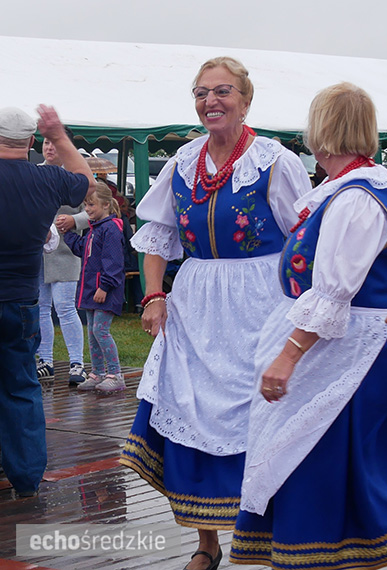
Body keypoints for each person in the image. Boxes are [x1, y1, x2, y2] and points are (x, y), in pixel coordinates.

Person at [231, 82, 387, 570]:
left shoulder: (357, 199)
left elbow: (334, 291)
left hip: (349, 353)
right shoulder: (348, 191)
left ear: (323, 130)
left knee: (332, 470)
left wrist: (287, 355)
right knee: (348, 477)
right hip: (339, 350)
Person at [118, 57, 311, 570]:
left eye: (222, 92)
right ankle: (206, 543)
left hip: (261, 300)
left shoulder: (275, 160)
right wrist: (154, 295)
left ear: (246, 100)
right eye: (201, 93)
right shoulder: (183, 162)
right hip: (198, 300)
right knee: (190, 404)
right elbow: (156, 236)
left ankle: (275, 541)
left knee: (264, 417)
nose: (211, 102)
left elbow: (304, 238)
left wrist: (302, 307)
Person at [0, 105, 94, 498]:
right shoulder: (48, 181)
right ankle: (25, 478)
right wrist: (57, 133)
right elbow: (86, 181)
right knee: (20, 389)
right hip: (20, 302)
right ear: (32, 142)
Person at [36, 128, 90, 385]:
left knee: (66, 307)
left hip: (67, 253)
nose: (49, 147)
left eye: (54, 143)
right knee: (40, 308)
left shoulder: (77, 176)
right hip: (37, 253)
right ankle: (45, 361)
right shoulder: (33, 173)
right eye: (46, 142)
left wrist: (74, 219)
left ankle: (77, 364)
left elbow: (97, 210)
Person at [63, 183, 126, 392]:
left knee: (101, 330)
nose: (87, 209)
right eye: (86, 205)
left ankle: (115, 374)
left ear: (106, 205)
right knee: (92, 332)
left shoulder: (110, 229)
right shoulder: (94, 229)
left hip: (105, 290)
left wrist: (105, 287)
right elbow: (83, 249)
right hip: (92, 289)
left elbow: (114, 263)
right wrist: (68, 233)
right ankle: (98, 372)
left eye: (91, 205)